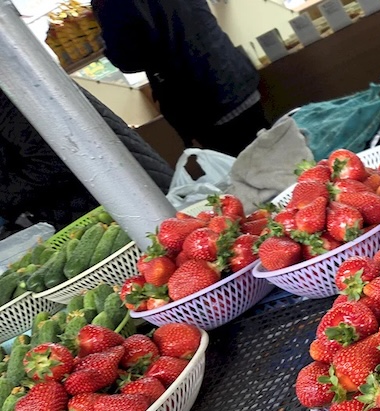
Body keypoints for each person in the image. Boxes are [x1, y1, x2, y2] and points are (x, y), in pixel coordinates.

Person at [91, 0, 271, 156]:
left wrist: (103, 41)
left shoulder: (108, 3)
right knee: (276, 155)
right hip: (235, 76)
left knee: (252, 176)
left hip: (201, 102)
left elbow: (129, 59)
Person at [0, 87, 173, 238]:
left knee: (172, 257)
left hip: (120, 199)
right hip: (105, 204)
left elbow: (54, 159)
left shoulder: (13, 92)